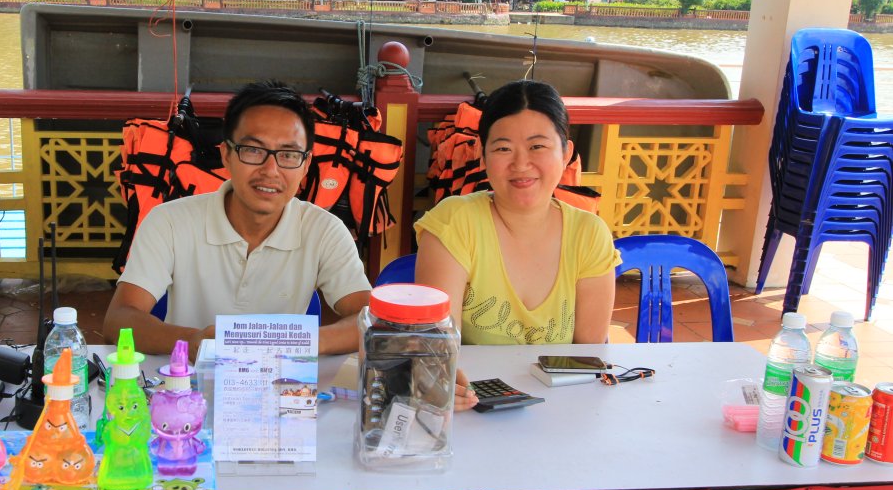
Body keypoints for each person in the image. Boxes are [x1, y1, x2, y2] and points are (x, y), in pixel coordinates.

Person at [104, 80, 372, 359]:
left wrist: (301, 341)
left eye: (289, 155)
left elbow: (369, 318)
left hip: (280, 387)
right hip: (184, 389)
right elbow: (119, 319)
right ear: (227, 155)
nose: (271, 170)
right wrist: (193, 342)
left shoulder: (324, 230)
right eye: (253, 150)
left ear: (305, 165)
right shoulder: (168, 222)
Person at [414, 79, 620, 409]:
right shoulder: (454, 222)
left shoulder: (589, 234)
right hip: (470, 409)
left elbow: (586, 360)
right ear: (482, 157)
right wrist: (442, 384)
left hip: (559, 412)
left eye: (537, 147)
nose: (521, 164)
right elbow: (438, 348)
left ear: (566, 153)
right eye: (503, 148)